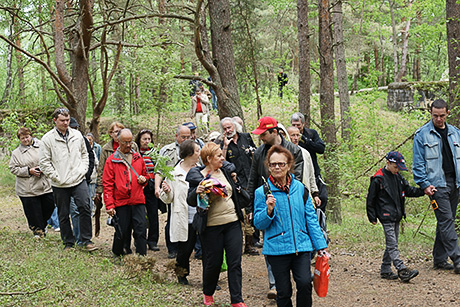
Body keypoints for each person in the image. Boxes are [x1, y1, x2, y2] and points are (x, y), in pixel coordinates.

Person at [254, 145, 327, 307]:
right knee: (283, 291)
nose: (277, 167)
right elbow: (258, 223)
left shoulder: (301, 189)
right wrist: (268, 210)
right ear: (268, 166)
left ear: (289, 165)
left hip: (301, 247)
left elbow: (311, 220)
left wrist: (321, 246)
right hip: (276, 248)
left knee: (304, 283)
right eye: (273, 164)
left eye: (281, 164)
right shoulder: (262, 192)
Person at [247, 116, 304, 299]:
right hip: (267, 202)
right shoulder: (259, 153)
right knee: (270, 239)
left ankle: (299, 277)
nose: (261, 138)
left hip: (292, 204)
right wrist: (250, 207)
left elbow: (299, 180)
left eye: (263, 134)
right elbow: (252, 179)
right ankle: (275, 284)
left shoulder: (294, 150)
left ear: (274, 132)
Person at [186, 142, 247, 307]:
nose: (222, 158)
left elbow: (233, 175)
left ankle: (237, 300)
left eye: (222, 154)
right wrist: (196, 191)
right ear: (208, 159)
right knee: (214, 262)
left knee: (235, 262)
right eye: (219, 156)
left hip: (233, 223)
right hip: (212, 226)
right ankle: (208, 294)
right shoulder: (198, 175)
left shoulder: (225, 172)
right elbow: (190, 200)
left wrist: (235, 178)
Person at [412, 99, 460, 274]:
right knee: (447, 221)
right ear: (430, 114)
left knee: (446, 221)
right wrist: (424, 184)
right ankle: (458, 259)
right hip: (436, 186)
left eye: (442, 115)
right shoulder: (422, 135)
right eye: (435, 116)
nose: (439, 119)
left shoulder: (455, 133)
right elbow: (417, 164)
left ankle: (440, 260)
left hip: (455, 183)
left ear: (447, 113)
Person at [39, 108, 97, 251]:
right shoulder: (47, 139)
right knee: (63, 213)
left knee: (85, 207)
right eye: (62, 120)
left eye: (67, 120)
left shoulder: (77, 135)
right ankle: (68, 243)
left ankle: (86, 240)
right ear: (55, 121)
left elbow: (85, 154)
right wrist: (55, 176)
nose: (66, 123)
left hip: (78, 179)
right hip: (59, 182)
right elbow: (44, 162)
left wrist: (83, 170)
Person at [366, 151, 425, 282]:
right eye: (395, 167)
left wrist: (423, 191)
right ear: (388, 163)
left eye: (399, 168)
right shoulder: (378, 178)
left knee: (392, 244)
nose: (397, 170)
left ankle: (385, 269)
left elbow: (408, 190)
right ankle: (402, 269)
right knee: (392, 245)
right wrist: (372, 216)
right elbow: (371, 199)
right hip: (385, 215)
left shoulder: (398, 178)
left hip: (397, 215)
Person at [160, 140, 201, 285]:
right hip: (185, 217)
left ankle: (210, 278)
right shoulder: (174, 173)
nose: (199, 153)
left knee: (207, 249)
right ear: (189, 154)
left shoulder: (201, 170)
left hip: (201, 215)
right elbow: (167, 199)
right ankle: (181, 274)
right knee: (185, 250)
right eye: (197, 151)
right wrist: (166, 191)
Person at [103, 129, 148, 256]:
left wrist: (144, 180)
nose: (128, 145)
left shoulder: (138, 157)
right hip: (121, 201)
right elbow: (108, 184)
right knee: (122, 230)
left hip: (137, 199)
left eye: (130, 142)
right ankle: (118, 253)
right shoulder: (111, 160)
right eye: (125, 142)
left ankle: (142, 256)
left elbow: (145, 175)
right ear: (118, 142)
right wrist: (109, 205)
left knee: (141, 229)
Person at [219, 117, 258, 255]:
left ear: (234, 126)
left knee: (251, 211)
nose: (227, 130)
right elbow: (221, 162)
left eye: (229, 127)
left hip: (251, 178)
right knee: (241, 213)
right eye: (225, 128)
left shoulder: (246, 137)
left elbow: (255, 152)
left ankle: (250, 243)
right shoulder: (223, 143)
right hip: (236, 182)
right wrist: (224, 146)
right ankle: (239, 244)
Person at [9, 127, 54, 238]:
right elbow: (13, 168)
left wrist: (44, 168)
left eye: (27, 137)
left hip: (45, 184)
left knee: (49, 205)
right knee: (33, 211)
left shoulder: (42, 146)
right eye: (22, 138)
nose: (25, 140)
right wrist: (28, 171)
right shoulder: (16, 153)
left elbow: (51, 158)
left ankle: (43, 225)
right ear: (19, 139)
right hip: (27, 188)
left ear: (31, 136)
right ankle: (37, 231)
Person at [155, 125, 191, 258]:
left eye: (188, 137)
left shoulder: (195, 149)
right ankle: (172, 248)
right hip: (172, 189)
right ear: (176, 136)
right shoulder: (167, 150)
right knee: (172, 218)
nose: (186, 139)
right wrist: (157, 188)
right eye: (183, 137)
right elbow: (159, 170)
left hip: (188, 188)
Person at [291, 112, 327, 213]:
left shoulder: (311, 134)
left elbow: (321, 149)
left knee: (322, 197)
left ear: (303, 124)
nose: (296, 127)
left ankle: (320, 221)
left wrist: (306, 141)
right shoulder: (289, 136)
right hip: (298, 173)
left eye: (298, 125)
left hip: (313, 170)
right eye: (294, 125)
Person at [68, 117, 95, 245]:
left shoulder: (82, 139)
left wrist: (86, 174)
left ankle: (85, 238)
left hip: (83, 180)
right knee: (74, 211)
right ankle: (78, 238)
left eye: (76, 127)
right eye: (72, 127)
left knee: (85, 208)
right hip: (66, 181)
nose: (74, 130)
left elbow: (90, 157)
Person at [135, 129, 160, 251]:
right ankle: (139, 239)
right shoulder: (135, 153)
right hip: (138, 186)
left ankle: (153, 240)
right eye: (144, 139)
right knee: (139, 215)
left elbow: (159, 169)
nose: (147, 141)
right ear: (139, 140)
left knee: (153, 213)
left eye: (149, 139)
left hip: (151, 186)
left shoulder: (154, 153)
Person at [286, 126, 321, 207]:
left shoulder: (305, 153)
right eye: (293, 135)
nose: (296, 138)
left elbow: (311, 174)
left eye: (298, 135)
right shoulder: (283, 153)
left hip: (305, 192)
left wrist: (315, 194)